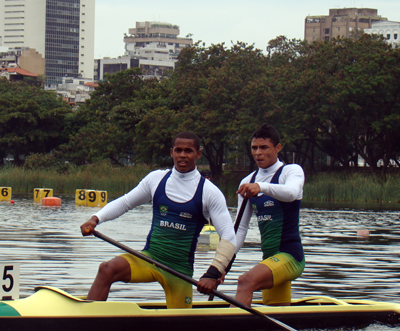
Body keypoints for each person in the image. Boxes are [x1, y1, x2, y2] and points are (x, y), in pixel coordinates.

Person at [80, 131, 236, 309]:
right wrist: (95, 219)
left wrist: (213, 274)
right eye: (178, 150)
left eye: (188, 151)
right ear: (171, 152)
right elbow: (125, 202)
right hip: (149, 259)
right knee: (107, 269)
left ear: (198, 154)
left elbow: (229, 236)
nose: (182, 155)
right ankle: (88, 316)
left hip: (179, 271)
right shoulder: (156, 179)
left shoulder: (210, 192)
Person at [234, 123, 305, 306]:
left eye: (264, 147)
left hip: (290, 256)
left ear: (278, 148)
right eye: (254, 148)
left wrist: (261, 187)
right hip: (270, 260)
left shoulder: (291, 171)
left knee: (245, 281)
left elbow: (290, 193)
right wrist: (220, 268)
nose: (258, 152)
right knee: (275, 316)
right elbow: (240, 230)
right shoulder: (247, 181)